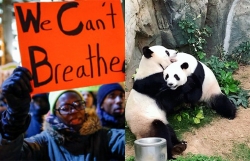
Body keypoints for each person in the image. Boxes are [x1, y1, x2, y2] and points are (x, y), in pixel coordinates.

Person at [0, 67, 125, 160]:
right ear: (54, 113)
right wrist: (14, 120)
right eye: (66, 107)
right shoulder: (44, 142)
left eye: (78, 104)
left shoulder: (102, 136)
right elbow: (10, 156)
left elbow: (126, 142)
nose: (74, 111)